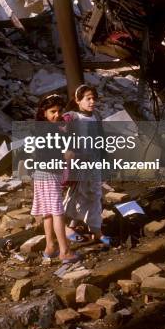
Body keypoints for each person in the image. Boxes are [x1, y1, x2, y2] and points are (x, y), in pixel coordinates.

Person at [31, 94, 79, 263]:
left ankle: (50, 247)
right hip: (50, 174)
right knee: (58, 213)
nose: (57, 115)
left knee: (48, 213)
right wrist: (66, 156)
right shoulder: (50, 130)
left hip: (41, 175)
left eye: (59, 111)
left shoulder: (41, 128)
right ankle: (64, 251)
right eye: (52, 111)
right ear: (44, 112)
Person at [63, 84, 111, 246]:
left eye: (93, 98)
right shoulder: (72, 117)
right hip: (78, 164)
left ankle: (94, 230)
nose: (92, 102)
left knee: (94, 195)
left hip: (94, 163)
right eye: (87, 98)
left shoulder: (95, 116)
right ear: (77, 100)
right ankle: (68, 226)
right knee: (76, 195)